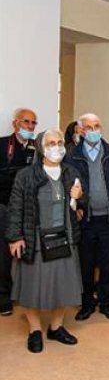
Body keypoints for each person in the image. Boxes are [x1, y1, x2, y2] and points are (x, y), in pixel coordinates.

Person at [6, 129, 84, 353]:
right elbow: (15, 209)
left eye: (60, 142)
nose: (57, 146)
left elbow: (80, 202)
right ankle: (34, 330)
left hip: (65, 238)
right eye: (51, 143)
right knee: (32, 287)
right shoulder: (26, 176)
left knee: (63, 285)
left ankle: (56, 327)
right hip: (35, 239)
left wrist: (80, 197)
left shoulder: (71, 171)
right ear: (41, 148)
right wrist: (15, 237)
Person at [65, 113, 109, 321]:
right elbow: (67, 184)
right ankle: (87, 303)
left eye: (97, 126)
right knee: (86, 264)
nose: (94, 130)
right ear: (81, 131)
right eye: (89, 127)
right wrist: (77, 206)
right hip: (85, 219)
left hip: (108, 218)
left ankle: (108, 303)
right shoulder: (71, 155)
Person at [0, 108, 38, 316]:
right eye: (26, 122)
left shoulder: (36, 149)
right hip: (4, 206)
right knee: (4, 254)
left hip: (30, 208)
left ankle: (25, 293)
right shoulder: (3, 145)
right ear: (15, 123)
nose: (30, 127)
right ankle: (3, 296)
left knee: (29, 251)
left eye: (33, 123)